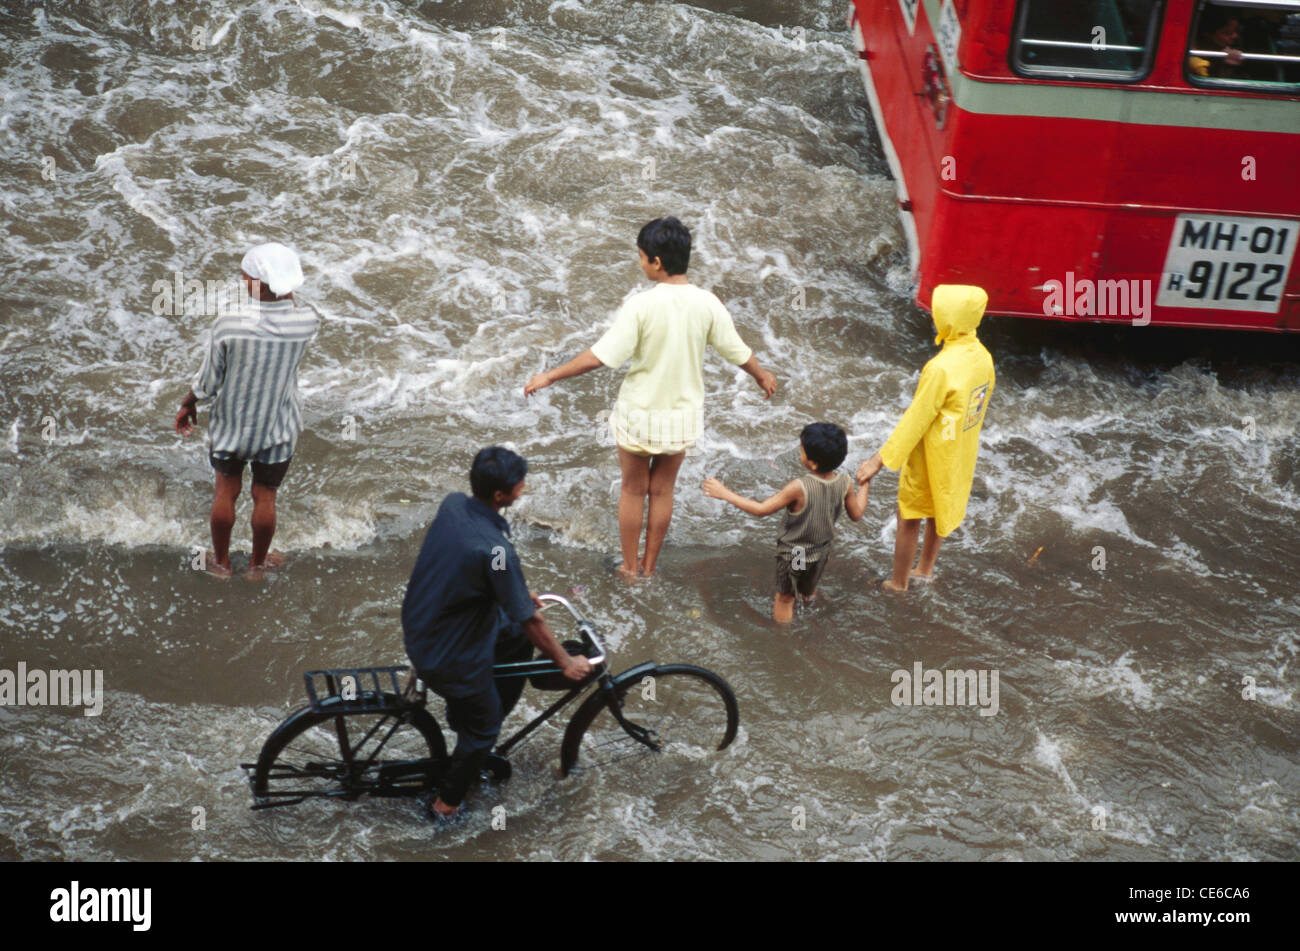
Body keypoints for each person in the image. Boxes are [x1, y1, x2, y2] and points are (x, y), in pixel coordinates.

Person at [524, 216, 778, 580]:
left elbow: (600, 356)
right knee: (662, 491)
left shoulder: (640, 306)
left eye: (641, 256)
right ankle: (649, 567)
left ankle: (628, 568)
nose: (640, 262)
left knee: (632, 489)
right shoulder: (708, 304)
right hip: (680, 418)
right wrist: (762, 375)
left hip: (639, 416)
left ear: (656, 263)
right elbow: (736, 351)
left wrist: (549, 374)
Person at [402, 447, 593, 819]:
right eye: (519, 484)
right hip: (444, 649)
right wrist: (565, 661)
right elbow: (532, 621)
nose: (524, 488)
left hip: (426, 620)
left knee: (514, 639)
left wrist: (513, 592)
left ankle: (469, 713)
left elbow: (467, 566)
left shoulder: (454, 505)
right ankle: (446, 805)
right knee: (486, 725)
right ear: (501, 496)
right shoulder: (496, 550)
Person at [174, 242, 319, 580]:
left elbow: (209, 380)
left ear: (259, 284)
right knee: (265, 496)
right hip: (277, 426)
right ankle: (257, 565)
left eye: (246, 278)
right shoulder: (306, 322)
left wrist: (188, 403)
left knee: (226, 489)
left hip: (232, 426)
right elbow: (291, 308)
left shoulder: (230, 324)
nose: (242, 282)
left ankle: (222, 564)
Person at [856, 284, 994, 592]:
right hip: (959, 451)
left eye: (939, 312)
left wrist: (879, 460)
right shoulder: (983, 357)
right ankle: (925, 569)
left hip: (931, 454)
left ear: (951, 319)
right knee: (939, 508)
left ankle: (898, 582)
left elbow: (916, 419)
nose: (934, 316)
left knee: (909, 516)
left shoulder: (940, 368)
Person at [703, 422, 870, 622]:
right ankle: (812, 616)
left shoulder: (799, 487)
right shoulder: (845, 482)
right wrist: (866, 484)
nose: (800, 452)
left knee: (785, 598)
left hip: (798, 553)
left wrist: (724, 493)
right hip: (821, 551)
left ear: (813, 463)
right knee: (808, 592)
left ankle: (785, 639)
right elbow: (857, 513)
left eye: (801, 450)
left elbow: (761, 509)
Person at [1188, 8, 1245, 79]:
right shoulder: (1194, 56)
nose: (1235, 36)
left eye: (1237, 30)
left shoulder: (1237, 46)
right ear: (1208, 35)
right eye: (1227, 33)